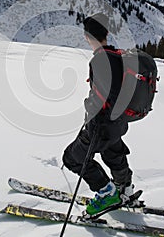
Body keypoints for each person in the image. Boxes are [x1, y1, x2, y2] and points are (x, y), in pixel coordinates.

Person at [62, 13, 134, 216]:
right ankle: (124, 188)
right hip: (119, 123)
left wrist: (91, 107)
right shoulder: (119, 56)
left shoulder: (100, 60)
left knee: (73, 158)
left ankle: (107, 193)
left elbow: (105, 97)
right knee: (112, 152)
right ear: (107, 33)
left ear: (87, 36)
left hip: (101, 125)